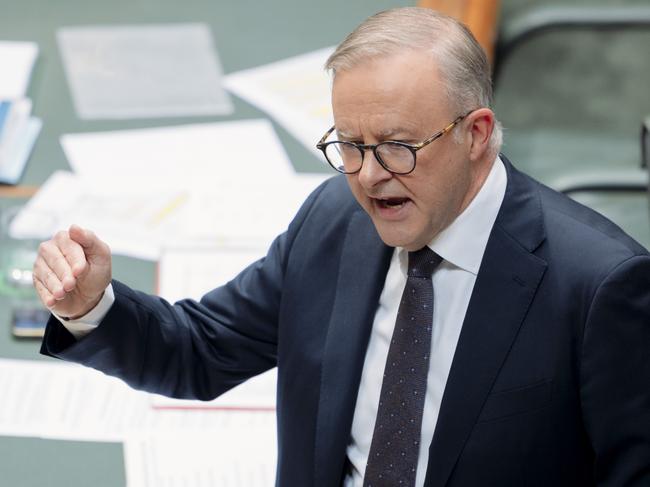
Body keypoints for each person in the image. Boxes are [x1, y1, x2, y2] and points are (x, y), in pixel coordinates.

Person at [33, 7, 650, 487]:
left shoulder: (597, 286)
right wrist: (91, 306)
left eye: (396, 146)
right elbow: (199, 349)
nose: (369, 176)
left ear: (476, 135)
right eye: (349, 145)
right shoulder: (335, 222)